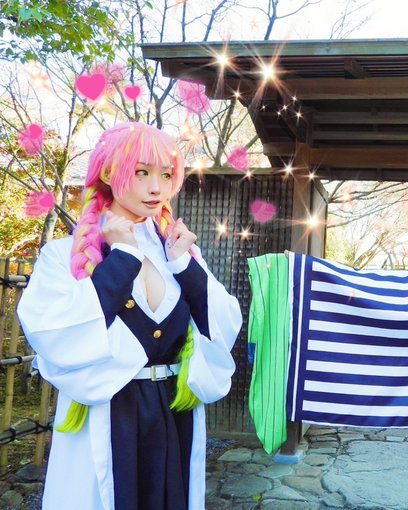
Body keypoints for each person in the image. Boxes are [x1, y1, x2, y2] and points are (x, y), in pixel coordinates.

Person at [17, 122, 242, 510]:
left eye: (166, 175)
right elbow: (54, 333)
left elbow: (222, 326)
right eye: (142, 172)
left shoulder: (179, 252)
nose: (156, 188)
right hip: (109, 411)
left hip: (174, 413)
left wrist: (184, 266)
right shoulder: (63, 254)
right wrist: (121, 258)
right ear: (108, 173)